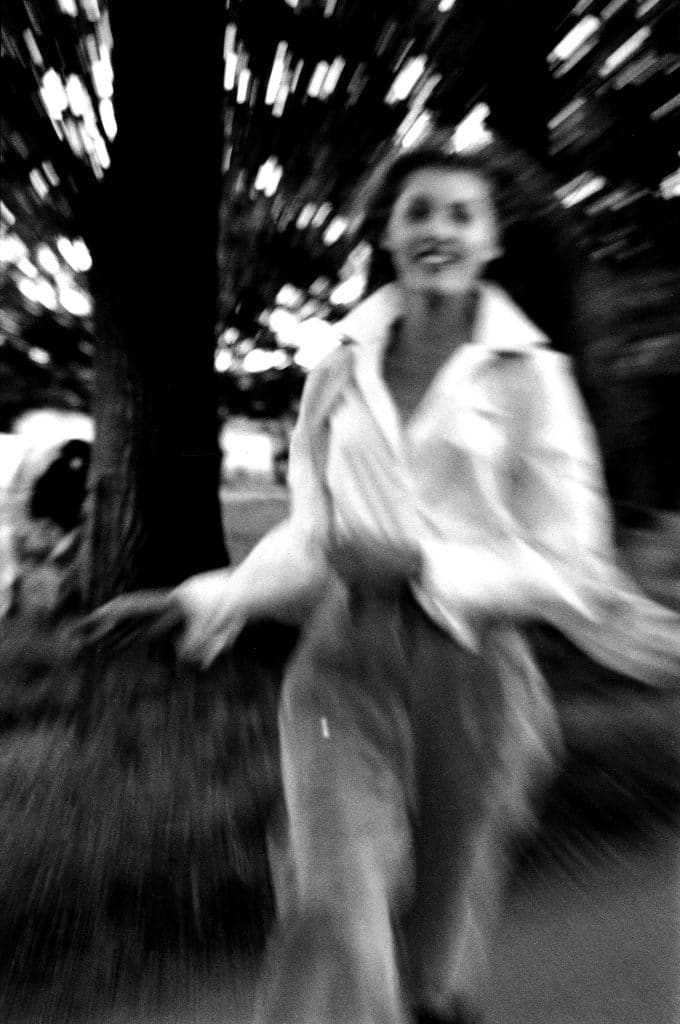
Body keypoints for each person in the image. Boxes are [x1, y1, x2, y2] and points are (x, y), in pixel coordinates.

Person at [86, 140, 680, 1024]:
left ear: (491, 241)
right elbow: (314, 535)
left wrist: (424, 565)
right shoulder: (339, 365)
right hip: (341, 670)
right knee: (332, 898)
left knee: (432, 946)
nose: (439, 228)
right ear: (387, 234)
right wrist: (203, 597)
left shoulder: (535, 380)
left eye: (461, 214)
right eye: (418, 211)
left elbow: (571, 564)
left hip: (475, 678)